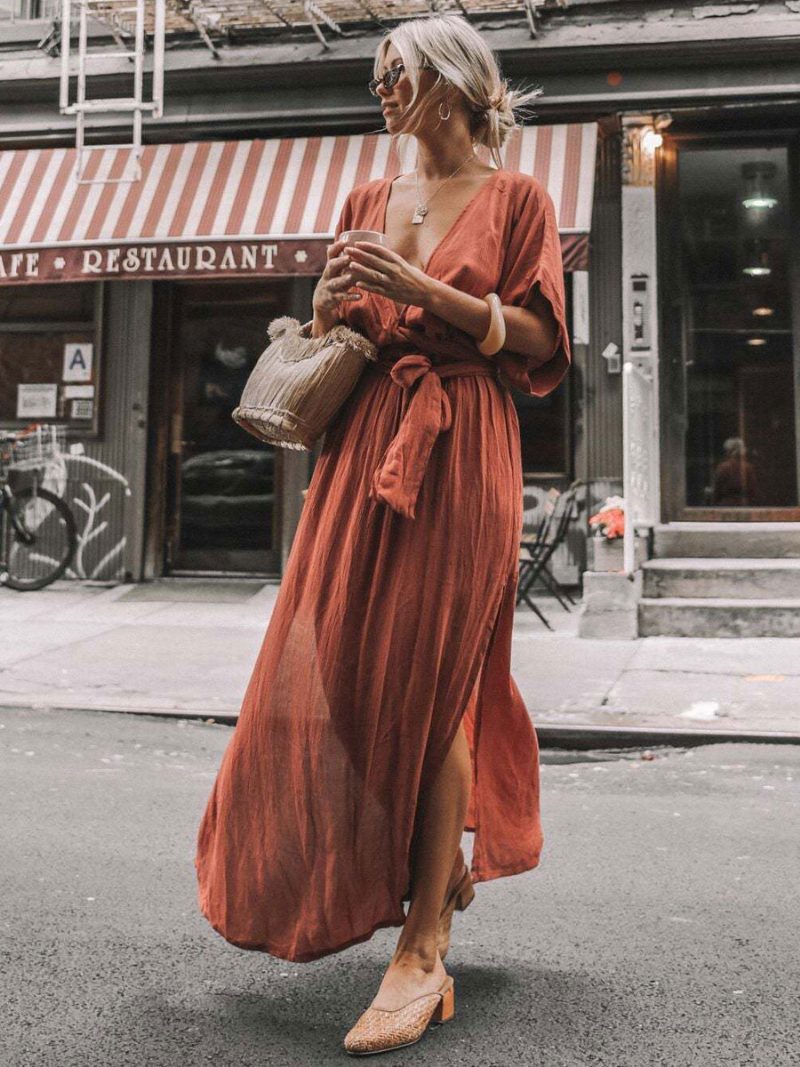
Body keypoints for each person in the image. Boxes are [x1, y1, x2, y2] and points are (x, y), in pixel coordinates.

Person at [194, 12, 571, 1057]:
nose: (379, 92)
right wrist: (323, 310)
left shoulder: (516, 198)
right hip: (364, 443)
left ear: (447, 81)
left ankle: (421, 944)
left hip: (460, 441)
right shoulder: (365, 197)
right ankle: (427, 861)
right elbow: (343, 337)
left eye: (391, 73)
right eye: (375, 77)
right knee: (348, 666)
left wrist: (428, 291)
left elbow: (541, 339)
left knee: (435, 673)